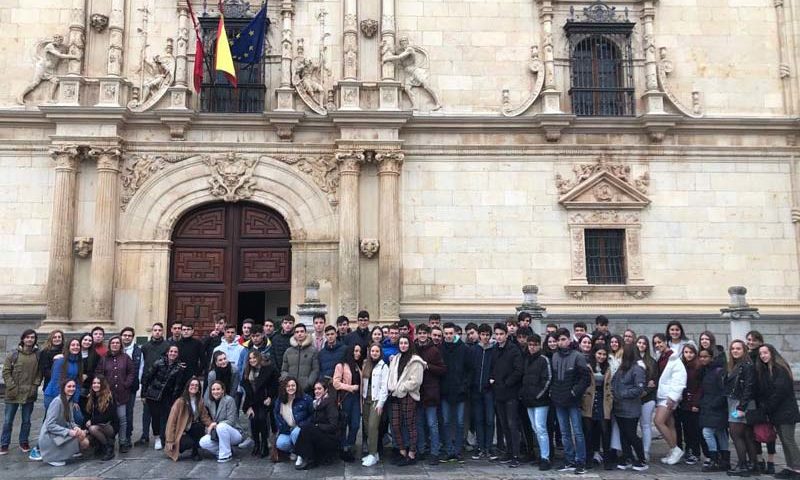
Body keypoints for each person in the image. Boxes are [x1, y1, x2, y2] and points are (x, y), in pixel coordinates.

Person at [755, 344, 800, 479]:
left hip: (786, 412)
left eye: (765, 353)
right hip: (778, 412)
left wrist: (767, 407)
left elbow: (779, 392)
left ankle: (797, 468)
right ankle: (790, 466)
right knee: (784, 440)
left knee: (788, 440)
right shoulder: (769, 369)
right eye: (761, 354)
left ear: (772, 353)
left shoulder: (780, 369)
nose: (763, 356)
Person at [550, 328, 590, 474]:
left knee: (578, 431)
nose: (560, 342)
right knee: (564, 432)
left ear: (568, 339)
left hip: (573, 400)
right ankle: (569, 459)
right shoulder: (554, 357)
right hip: (559, 400)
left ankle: (581, 461)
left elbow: (585, 378)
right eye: (558, 340)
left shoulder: (577, 356)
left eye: (563, 339)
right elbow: (554, 378)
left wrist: (574, 392)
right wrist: (553, 393)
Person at [387, 336, 426, 466]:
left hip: (408, 395)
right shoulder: (396, 358)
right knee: (395, 424)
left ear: (409, 344)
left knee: (410, 424)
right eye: (401, 343)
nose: (403, 345)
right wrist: (392, 388)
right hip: (395, 395)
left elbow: (416, 381)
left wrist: (401, 388)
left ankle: (412, 453)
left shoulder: (416, 361)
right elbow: (392, 376)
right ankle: (402, 451)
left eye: (405, 343)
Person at [1, 329, 41, 455]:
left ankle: (24, 441)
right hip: (13, 393)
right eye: (27, 337)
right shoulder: (13, 354)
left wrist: (35, 385)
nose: (30, 339)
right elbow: (6, 372)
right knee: (8, 420)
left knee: (26, 420)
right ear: (23, 339)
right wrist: (11, 387)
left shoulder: (38, 355)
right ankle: (4, 443)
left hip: (29, 392)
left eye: (32, 337)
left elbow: (39, 373)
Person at [489, 322, 523, 468]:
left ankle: (515, 454)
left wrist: (507, 382)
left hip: (511, 393)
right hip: (498, 393)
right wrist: (492, 379)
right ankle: (508, 452)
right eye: (496, 334)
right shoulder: (495, 349)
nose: (499, 337)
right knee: (503, 424)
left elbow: (518, 370)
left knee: (512, 424)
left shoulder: (513, 349)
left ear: (506, 335)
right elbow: (492, 367)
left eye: (501, 334)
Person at [94, 335, 135, 453]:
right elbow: (99, 373)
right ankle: (105, 442)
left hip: (122, 394)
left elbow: (131, 372)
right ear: (110, 345)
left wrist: (126, 384)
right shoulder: (104, 359)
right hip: (107, 395)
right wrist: (104, 386)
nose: (115, 345)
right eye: (113, 343)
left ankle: (122, 442)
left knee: (122, 419)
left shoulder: (126, 358)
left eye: (117, 343)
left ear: (120, 345)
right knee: (106, 419)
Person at [611, 343, 648, 471]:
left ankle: (641, 459)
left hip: (631, 408)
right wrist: (614, 393)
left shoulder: (637, 369)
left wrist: (622, 394)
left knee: (631, 434)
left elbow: (639, 388)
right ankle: (627, 457)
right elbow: (613, 382)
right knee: (623, 434)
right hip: (619, 407)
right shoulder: (621, 369)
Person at [142, 344, 185, 451]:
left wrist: (175, 399)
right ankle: (157, 438)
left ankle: (164, 437)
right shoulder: (158, 363)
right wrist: (144, 393)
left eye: (175, 352)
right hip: (154, 395)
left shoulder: (179, 367)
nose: (173, 354)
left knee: (165, 418)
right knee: (155, 418)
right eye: (171, 351)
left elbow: (178, 385)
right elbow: (148, 377)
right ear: (167, 352)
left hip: (168, 396)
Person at [652, 332, 686, 465]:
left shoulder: (674, 358)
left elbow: (680, 378)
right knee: (669, 423)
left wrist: (673, 397)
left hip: (669, 396)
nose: (658, 345)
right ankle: (673, 451)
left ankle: (676, 449)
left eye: (660, 342)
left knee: (658, 421)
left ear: (666, 341)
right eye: (655, 343)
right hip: (662, 394)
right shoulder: (661, 356)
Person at [38, 379, 90, 466]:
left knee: (84, 438)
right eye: (69, 386)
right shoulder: (57, 402)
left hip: (59, 433)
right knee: (83, 441)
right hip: (50, 436)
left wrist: (76, 427)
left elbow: (71, 421)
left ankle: (64, 453)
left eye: (73, 386)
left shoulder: (69, 402)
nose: (72, 388)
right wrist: (69, 432)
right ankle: (53, 456)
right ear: (63, 388)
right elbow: (50, 425)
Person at [413, 324, 445, 464]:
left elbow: (442, 369)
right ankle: (420, 449)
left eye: (424, 333)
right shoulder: (413, 349)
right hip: (416, 392)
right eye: (419, 333)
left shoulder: (434, 350)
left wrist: (428, 366)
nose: (422, 335)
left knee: (432, 424)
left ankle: (434, 452)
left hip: (431, 392)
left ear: (428, 335)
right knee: (419, 423)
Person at [726, 339, 758, 476]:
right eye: (733, 348)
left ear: (744, 350)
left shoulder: (747, 365)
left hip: (740, 403)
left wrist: (741, 407)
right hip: (737, 402)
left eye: (738, 348)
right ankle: (753, 465)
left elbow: (748, 387)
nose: (735, 351)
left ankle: (742, 465)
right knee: (746, 435)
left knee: (736, 434)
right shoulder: (737, 365)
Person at [520, 333, 552, 470]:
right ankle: (541, 455)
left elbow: (548, 379)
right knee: (535, 429)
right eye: (530, 345)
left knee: (541, 428)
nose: (532, 347)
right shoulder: (526, 359)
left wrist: (539, 395)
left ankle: (546, 457)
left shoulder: (543, 359)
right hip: (529, 400)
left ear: (539, 345)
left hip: (540, 400)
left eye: (534, 345)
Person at [294, 380, 341, 470]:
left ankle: (308, 459)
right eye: (315, 389)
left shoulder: (330, 403)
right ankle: (303, 456)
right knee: (306, 427)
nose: (316, 391)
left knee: (308, 428)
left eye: (319, 388)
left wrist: (317, 426)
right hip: (322, 434)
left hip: (331, 438)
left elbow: (333, 425)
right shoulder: (316, 403)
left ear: (326, 390)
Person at [137, 322, 170, 446]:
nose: (157, 332)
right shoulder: (145, 347)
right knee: (147, 411)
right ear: (152, 331)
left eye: (159, 330)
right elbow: (142, 364)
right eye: (155, 330)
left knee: (162, 412)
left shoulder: (167, 346)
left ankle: (162, 436)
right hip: (148, 383)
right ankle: (145, 435)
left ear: (163, 332)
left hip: (161, 383)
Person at [440, 322, 470, 463]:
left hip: (460, 391)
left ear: (455, 334)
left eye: (451, 333)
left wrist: (464, 386)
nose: (448, 336)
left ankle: (458, 450)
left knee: (459, 422)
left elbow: (469, 369)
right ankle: (448, 450)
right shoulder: (440, 348)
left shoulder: (463, 348)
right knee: (446, 422)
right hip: (445, 392)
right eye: (446, 333)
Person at [164, 377, 212, 461]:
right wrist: (169, 440)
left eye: (197, 385)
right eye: (192, 385)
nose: (194, 387)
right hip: (180, 430)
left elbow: (204, 416)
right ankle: (183, 446)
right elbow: (171, 421)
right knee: (188, 443)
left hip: (192, 428)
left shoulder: (199, 401)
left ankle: (195, 451)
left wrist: (211, 425)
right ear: (188, 386)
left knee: (199, 427)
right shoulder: (180, 401)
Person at [746, 330, 775, 474]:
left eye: (754, 340)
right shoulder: (747, 356)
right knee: (754, 431)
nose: (751, 342)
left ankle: (770, 461)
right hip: (752, 399)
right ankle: (759, 460)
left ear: (760, 341)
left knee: (768, 431)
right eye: (749, 339)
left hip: (764, 398)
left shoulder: (762, 356)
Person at [241, 350, 278, 458]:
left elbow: (274, 385)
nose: (252, 360)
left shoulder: (269, 369)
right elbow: (247, 391)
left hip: (264, 400)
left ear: (258, 358)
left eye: (254, 358)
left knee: (262, 418)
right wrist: (247, 407)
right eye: (250, 358)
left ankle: (264, 444)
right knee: (253, 420)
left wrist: (270, 397)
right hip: (252, 401)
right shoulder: (247, 372)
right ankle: (256, 443)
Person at [698, 347, 730, 472]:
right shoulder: (706, 371)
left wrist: (714, 404)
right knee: (720, 432)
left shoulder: (718, 371)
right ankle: (724, 460)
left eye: (705, 357)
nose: (702, 359)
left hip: (715, 407)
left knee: (708, 432)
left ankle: (715, 459)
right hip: (709, 406)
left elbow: (723, 391)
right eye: (701, 357)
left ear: (711, 357)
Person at [582, 345, 613, 470]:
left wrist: (610, 400)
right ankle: (589, 459)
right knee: (588, 432)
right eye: (599, 354)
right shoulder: (588, 366)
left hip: (603, 400)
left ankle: (607, 460)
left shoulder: (608, 367)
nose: (601, 356)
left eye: (604, 354)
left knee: (605, 431)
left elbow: (610, 386)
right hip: (589, 400)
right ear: (594, 353)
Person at [469, 323, 495, 460]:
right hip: (476, 390)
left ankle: (489, 447)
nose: (485, 337)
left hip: (489, 390)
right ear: (479, 335)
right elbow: (470, 368)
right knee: (478, 419)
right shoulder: (474, 350)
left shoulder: (493, 350)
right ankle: (479, 446)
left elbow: (496, 367)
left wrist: (492, 378)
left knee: (490, 420)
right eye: (483, 334)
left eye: (487, 335)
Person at [199, 380, 242, 463]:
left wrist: (215, 424)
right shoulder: (210, 402)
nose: (215, 391)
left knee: (221, 426)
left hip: (233, 433)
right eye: (213, 389)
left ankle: (226, 455)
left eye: (218, 389)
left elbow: (231, 421)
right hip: (218, 433)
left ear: (223, 390)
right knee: (203, 442)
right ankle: (223, 450)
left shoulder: (229, 400)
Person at [333, 343, 363, 462]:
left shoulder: (357, 366)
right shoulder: (341, 365)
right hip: (346, 398)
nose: (358, 354)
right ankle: (343, 448)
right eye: (355, 351)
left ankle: (350, 444)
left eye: (359, 351)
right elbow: (336, 383)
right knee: (344, 423)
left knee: (355, 424)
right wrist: (350, 387)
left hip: (356, 398)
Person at [361, 343, 389, 467]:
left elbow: (384, 387)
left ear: (380, 352)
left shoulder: (383, 367)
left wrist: (381, 403)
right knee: (367, 427)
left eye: (377, 351)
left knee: (373, 426)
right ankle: (375, 453)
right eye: (372, 351)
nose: (374, 353)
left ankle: (372, 454)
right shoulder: (366, 364)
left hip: (376, 400)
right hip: (366, 399)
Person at [274, 376, 313, 458]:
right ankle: (294, 450)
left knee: (296, 433)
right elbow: (276, 414)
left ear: (297, 386)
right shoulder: (280, 400)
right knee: (280, 443)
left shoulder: (305, 398)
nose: (291, 388)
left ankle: (301, 454)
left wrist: (303, 424)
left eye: (293, 385)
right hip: (287, 429)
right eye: (288, 386)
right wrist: (282, 426)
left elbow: (312, 414)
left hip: (301, 427)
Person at [676, 344, 702, 465]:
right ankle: (689, 450)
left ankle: (696, 453)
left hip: (693, 402)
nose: (688, 355)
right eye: (686, 352)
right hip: (684, 402)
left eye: (691, 352)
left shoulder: (698, 367)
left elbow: (700, 387)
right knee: (686, 429)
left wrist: (696, 403)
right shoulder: (682, 366)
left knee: (694, 430)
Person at [119, 327, 143, 449]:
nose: (127, 337)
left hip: (131, 387)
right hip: (116, 387)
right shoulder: (116, 348)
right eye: (125, 335)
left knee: (128, 413)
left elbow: (140, 368)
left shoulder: (138, 351)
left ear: (132, 337)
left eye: (129, 335)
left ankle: (127, 437)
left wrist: (135, 383)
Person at [84, 375, 118, 461]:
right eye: (94, 383)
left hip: (110, 426)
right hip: (98, 424)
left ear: (103, 384)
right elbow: (88, 414)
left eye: (98, 383)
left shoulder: (110, 396)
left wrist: (92, 421)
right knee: (86, 439)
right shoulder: (91, 396)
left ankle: (108, 448)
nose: (96, 385)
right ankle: (100, 445)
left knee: (93, 428)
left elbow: (108, 416)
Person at [636, 335, 658, 462]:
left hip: (648, 398)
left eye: (644, 343)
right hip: (634, 398)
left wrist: (644, 391)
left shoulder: (652, 361)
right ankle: (635, 450)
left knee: (645, 424)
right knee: (633, 426)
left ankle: (645, 451)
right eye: (639, 342)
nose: (641, 345)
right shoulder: (632, 360)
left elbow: (653, 381)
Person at [281, 323, 319, 394]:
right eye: (297, 332)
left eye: (302, 331)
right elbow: (284, 370)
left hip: (307, 389)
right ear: (294, 334)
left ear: (306, 333)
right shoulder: (288, 351)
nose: (299, 334)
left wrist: (309, 383)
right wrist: (288, 382)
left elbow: (315, 370)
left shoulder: (313, 351)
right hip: (290, 389)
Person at [38, 330, 63, 398]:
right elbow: (44, 370)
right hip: (50, 384)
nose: (57, 339)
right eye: (54, 337)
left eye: (59, 337)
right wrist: (57, 376)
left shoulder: (66, 351)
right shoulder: (45, 352)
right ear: (51, 339)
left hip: (65, 384)